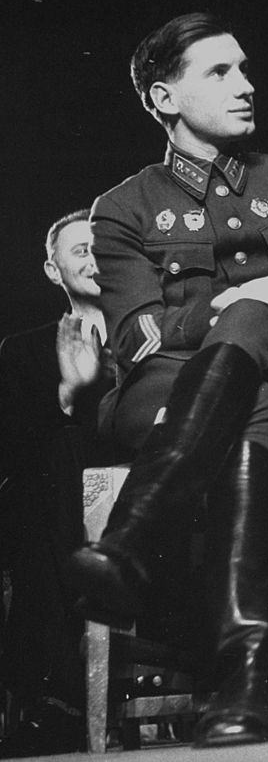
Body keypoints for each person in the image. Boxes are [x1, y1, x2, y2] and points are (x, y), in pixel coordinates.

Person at [66, 13, 268, 747]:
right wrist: (251, 299)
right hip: (171, 386)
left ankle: (131, 541)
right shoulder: (122, 208)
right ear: (164, 99)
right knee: (244, 396)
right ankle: (247, 678)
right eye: (220, 72)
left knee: (252, 325)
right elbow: (139, 335)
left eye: (245, 68)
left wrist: (252, 304)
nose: (247, 84)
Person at [0, 210, 119, 757]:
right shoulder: (23, 350)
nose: (93, 258)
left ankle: (58, 692)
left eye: (100, 246)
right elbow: (12, 450)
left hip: (135, 495)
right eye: (78, 251)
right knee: (49, 461)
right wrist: (69, 395)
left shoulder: (150, 330)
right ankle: (57, 685)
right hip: (51, 507)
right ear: (53, 271)